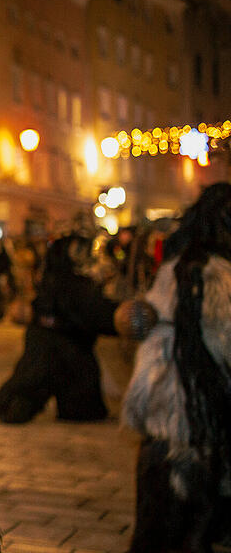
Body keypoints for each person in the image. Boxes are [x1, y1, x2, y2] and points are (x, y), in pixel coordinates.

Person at [123, 182, 231, 552]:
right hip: (203, 410)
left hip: (159, 398)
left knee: (157, 513)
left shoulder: (171, 269)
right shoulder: (220, 276)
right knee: (199, 519)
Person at [0, 235, 118, 424]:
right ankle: (14, 407)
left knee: (33, 379)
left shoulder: (52, 278)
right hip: (64, 344)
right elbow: (90, 313)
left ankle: (12, 405)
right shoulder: (71, 283)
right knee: (37, 380)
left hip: (49, 339)